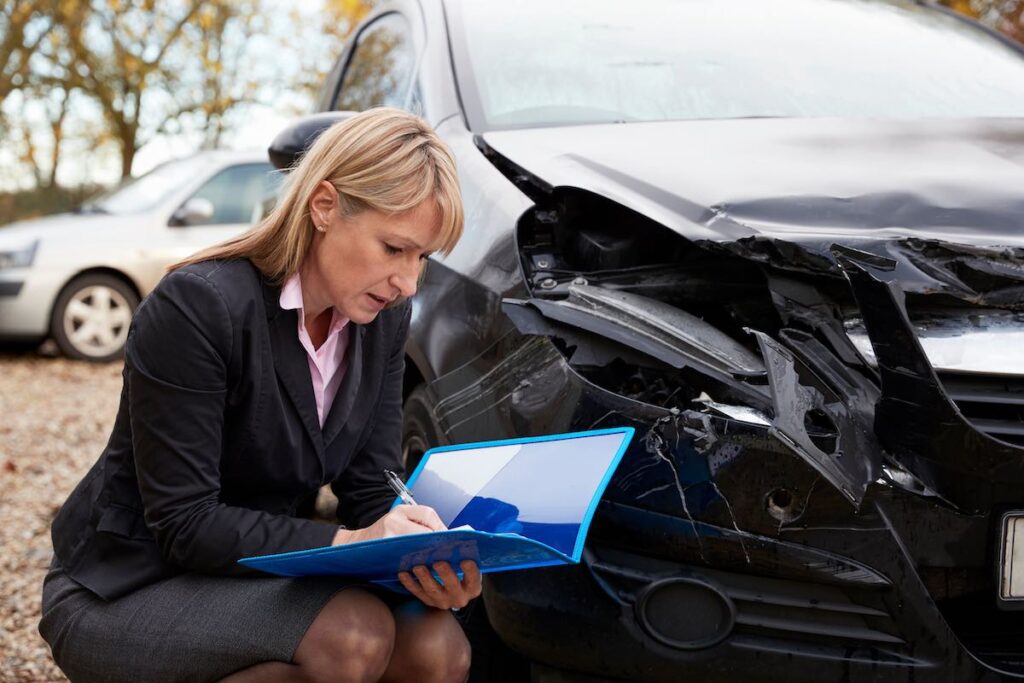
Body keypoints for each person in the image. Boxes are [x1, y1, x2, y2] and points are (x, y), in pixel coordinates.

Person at [38, 107, 479, 683]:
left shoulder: (382, 319)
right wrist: (351, 541)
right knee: (353, 636)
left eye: (422, 257)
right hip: (125, 588)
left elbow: (370, 486)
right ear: (323, 206)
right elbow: (185, 522)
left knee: (436, 646)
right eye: (394, 248)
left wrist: (420, 559)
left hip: (256, 578)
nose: (408, 282)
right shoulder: (198, 307)